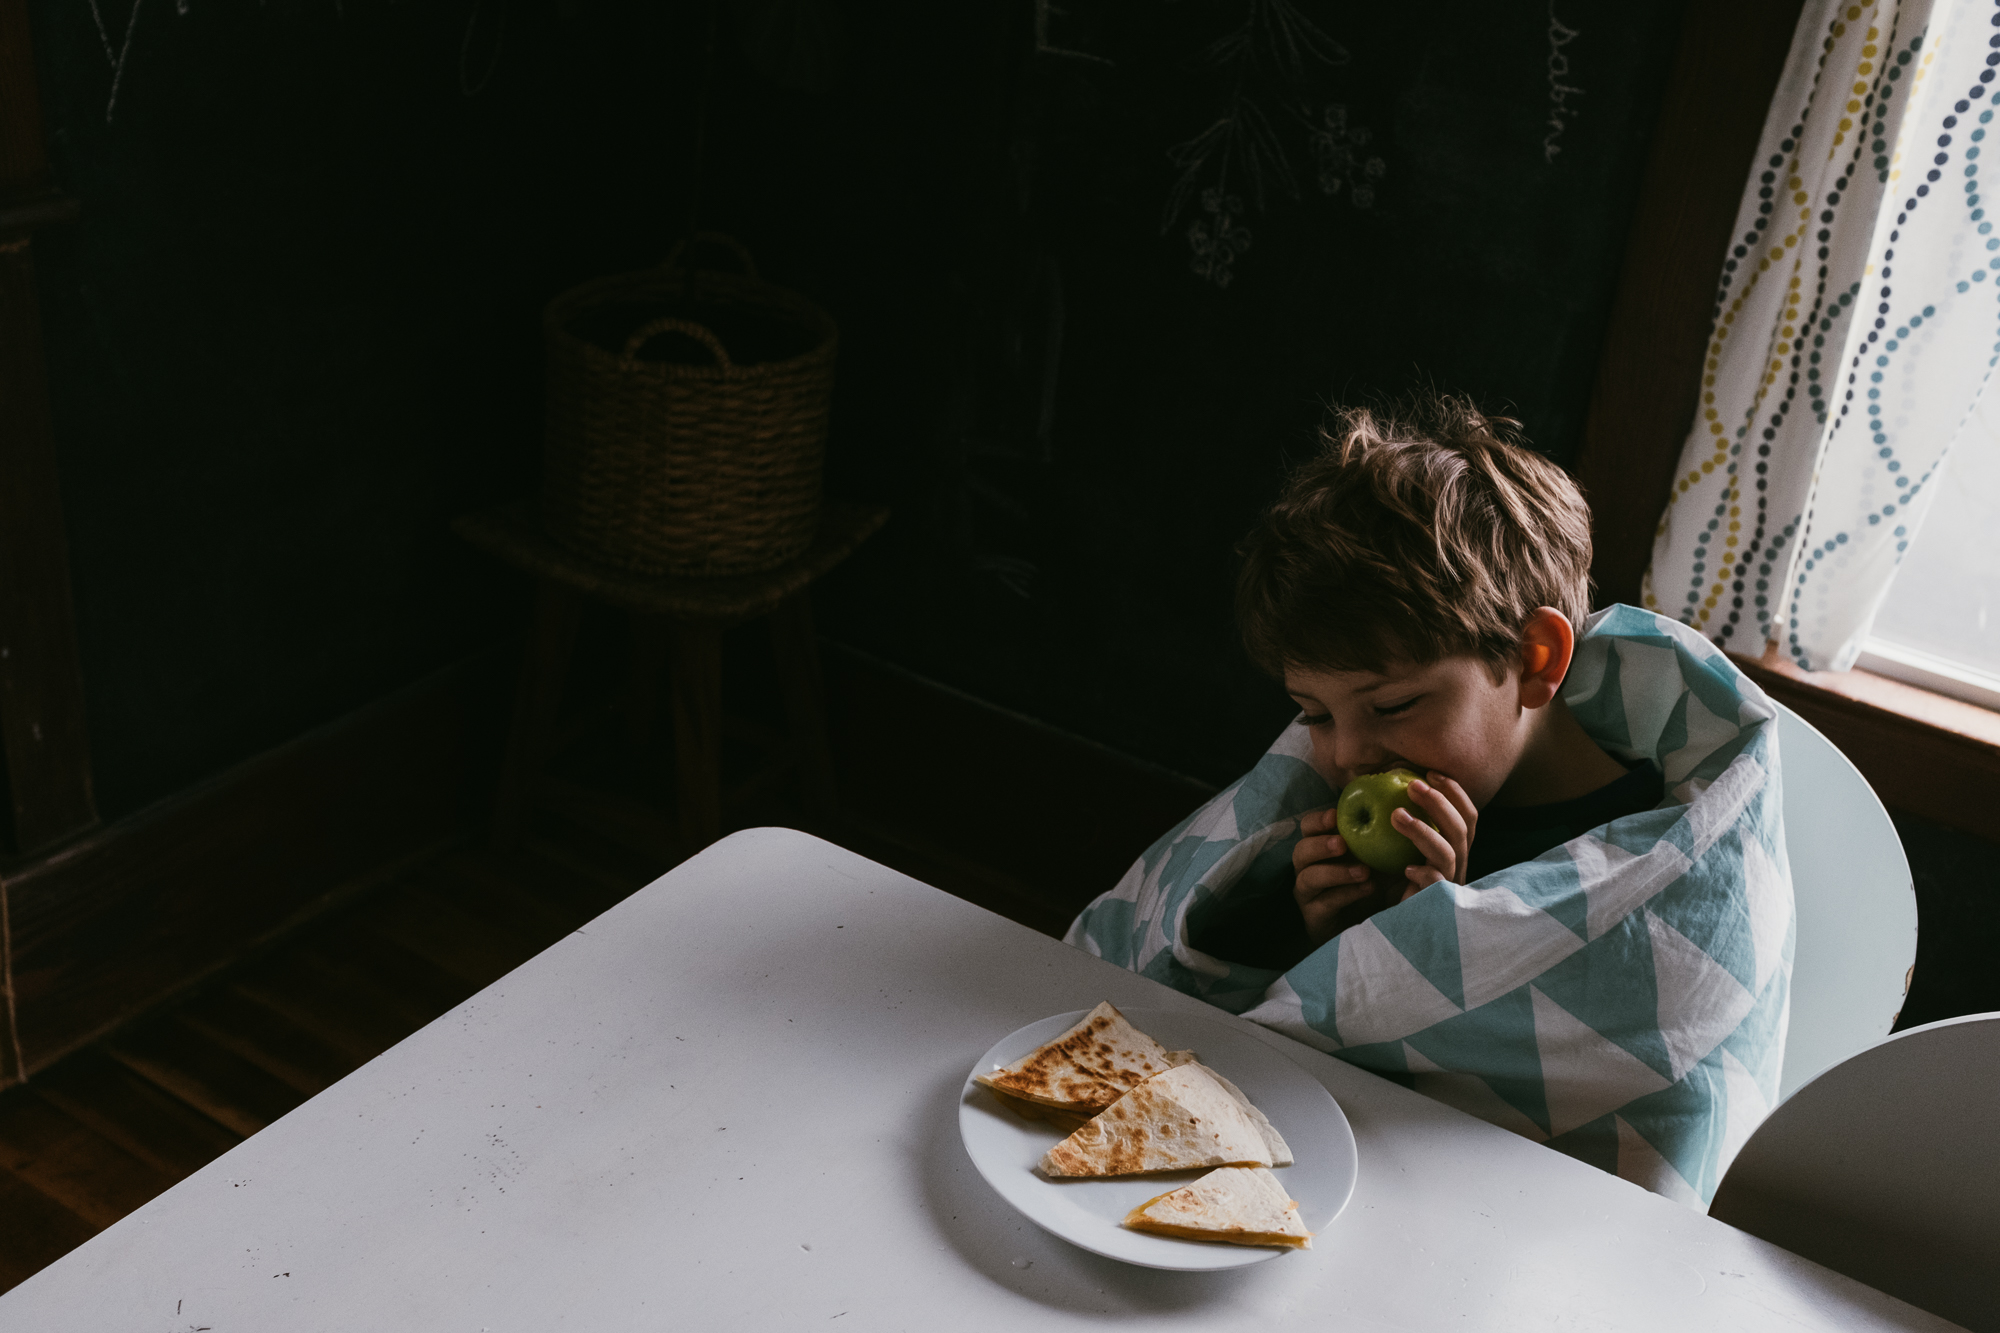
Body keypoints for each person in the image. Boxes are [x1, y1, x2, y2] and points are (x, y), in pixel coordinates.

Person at [1066, 394, 1793, 1209]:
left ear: (1535, 659)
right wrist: (1338, 931)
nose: (1345, 755)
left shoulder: (1649, 852)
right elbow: (1319, 1010)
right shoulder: (1354, 773)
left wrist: (1450, 926)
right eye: (1313, 714)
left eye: (1392, 706)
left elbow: (1595, 1033)